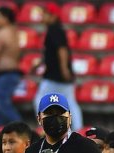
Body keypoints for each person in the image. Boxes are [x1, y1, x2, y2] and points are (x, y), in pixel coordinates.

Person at [34, 3, 82, 133]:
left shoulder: (55, 30)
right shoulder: (54, 30)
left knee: (40, 100)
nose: (42, 16)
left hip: (56, 74)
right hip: (55, 73)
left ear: (53, 16)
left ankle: (46, 126)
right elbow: (50, 52)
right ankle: (76, 130)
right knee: (70, 102)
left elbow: (62, 50)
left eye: (45, 13)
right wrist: (38, 65)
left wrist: (64, 69)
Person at [0, 6, 22, 127]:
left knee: (1, 105)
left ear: (6, 18)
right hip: (12, 73)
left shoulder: (2, 33)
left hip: (5, 74)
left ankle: (22, 128)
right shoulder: (14, 32)